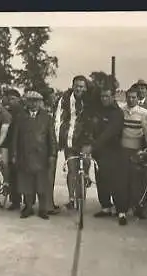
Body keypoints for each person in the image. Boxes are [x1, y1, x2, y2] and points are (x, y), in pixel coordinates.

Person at [79, 84, 124, 218]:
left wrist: (92, 146)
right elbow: (92, 128)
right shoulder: (99, 111)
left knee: (114, 181)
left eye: (107, 96)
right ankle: (105, 207)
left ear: (113, 97)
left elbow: (109, 133)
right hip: (99, 151)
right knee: (101, 179)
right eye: (102, 96)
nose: (104, 99)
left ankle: (119, 208)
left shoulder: (117, 113)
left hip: (113, 151)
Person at [11, 91, 57, 219]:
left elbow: (51, 138)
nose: (34, 103)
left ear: (40, 102)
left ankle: (43, 209)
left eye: (36, 101)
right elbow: (15, 137)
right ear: (26, 102)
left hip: (41, 154)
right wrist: (14, 153)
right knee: (26, 183)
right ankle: (28, 207)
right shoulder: (20, 117)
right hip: (24, 154)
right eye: (31, 100)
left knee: (42, 183)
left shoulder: (47, 117)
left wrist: (52, 154)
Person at [114, 87, 147, 225]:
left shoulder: (145, 113)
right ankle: (121, 211)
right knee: (122, 182)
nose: (131, 99)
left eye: (134, 97)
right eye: (128, 97)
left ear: (138, 98)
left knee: (137, 182)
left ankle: (138, 207)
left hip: (138, 151)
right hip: (123, 150)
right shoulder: (121, 111)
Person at [54, 75, 90, 210]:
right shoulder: (64, 99)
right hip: (70, 138)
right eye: (76, 86)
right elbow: (58, 118)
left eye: (82, 86)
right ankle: (71, 198)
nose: (79, 89)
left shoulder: (90, 100)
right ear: (73, 86)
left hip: (86, 138)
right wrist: (58, 138)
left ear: (85, 88)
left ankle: (84, 182)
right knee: (72, 169)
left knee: (86, 164)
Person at [3, 88, 24, 210]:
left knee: (22, 173)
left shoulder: (23, 112)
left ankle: (26, 200)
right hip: (9, 144)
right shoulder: (7, 112)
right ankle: (15, 201)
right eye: (9, 99)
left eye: (13, 99)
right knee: (12, 172)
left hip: (22, 145)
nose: (11, 101)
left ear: (19, 99)